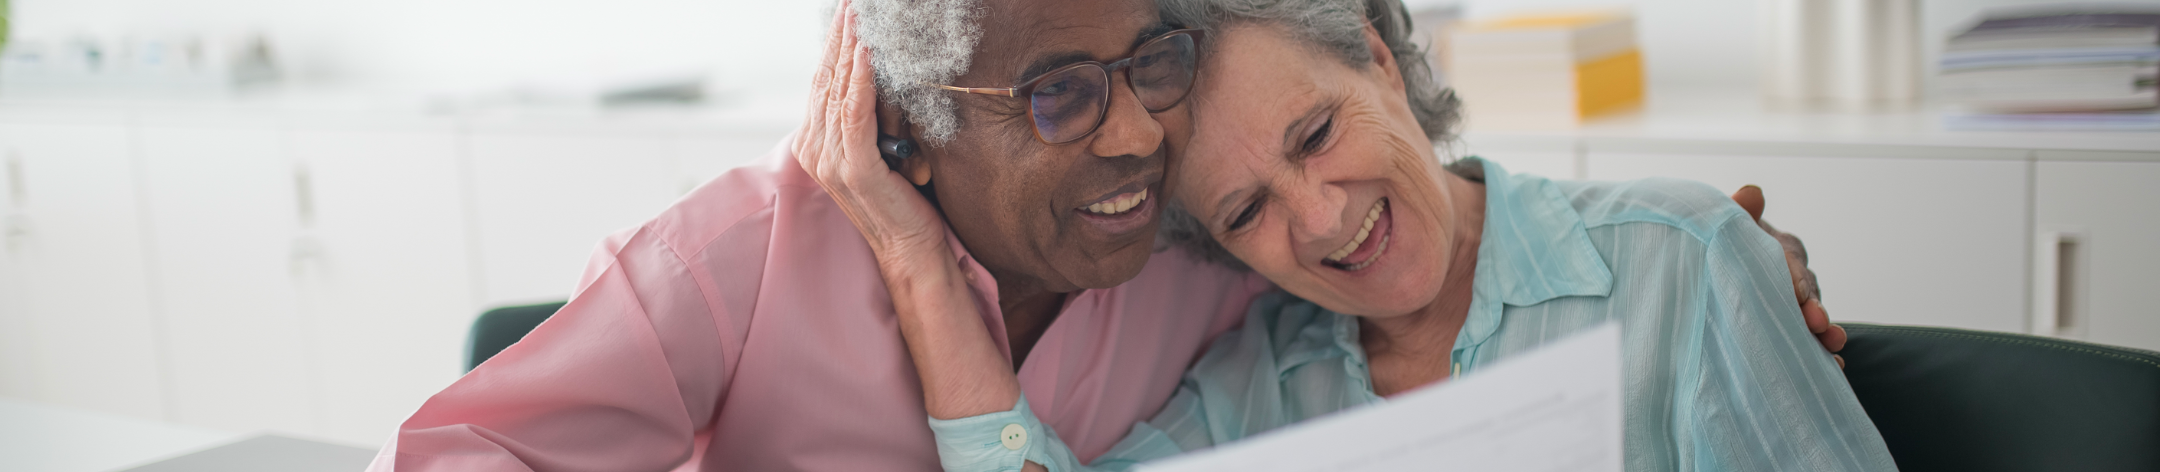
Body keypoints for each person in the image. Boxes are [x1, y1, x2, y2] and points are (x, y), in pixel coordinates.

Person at [371, 0, 1838, 470]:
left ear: (1386, 63)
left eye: (1143, 72)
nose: (1132, 138)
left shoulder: (1195, 285)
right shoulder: (740, 258)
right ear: (923, 117)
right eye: (1063, 97)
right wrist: (924, 291)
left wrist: (1721, 248)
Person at [801, 0, 1892, 470]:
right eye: (1245, 212)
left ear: (1377, 57)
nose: (1320, 219)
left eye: (1316, 134)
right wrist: (916, 265)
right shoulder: (1252, 393)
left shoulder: (1681, 262)